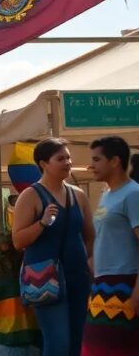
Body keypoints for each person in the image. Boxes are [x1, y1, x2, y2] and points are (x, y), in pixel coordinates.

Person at [12, 137, 94, 356]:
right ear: (43, 164)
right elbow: (18, 241)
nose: (68, 162)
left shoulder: (78, 195)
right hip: (44, 278)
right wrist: (42, 223)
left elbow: (90, 235)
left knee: (79, 339)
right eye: (61, 158)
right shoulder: (30, 196)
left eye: (68, 157)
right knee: (58, 342)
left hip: (77, 276)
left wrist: (89, 262)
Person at [82, 136, 139, 355]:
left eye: (97, 159)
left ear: (115, 161)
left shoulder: (133, 194)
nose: (91, 165)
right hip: (102, 285)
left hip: (125, 284)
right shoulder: (107, 196)